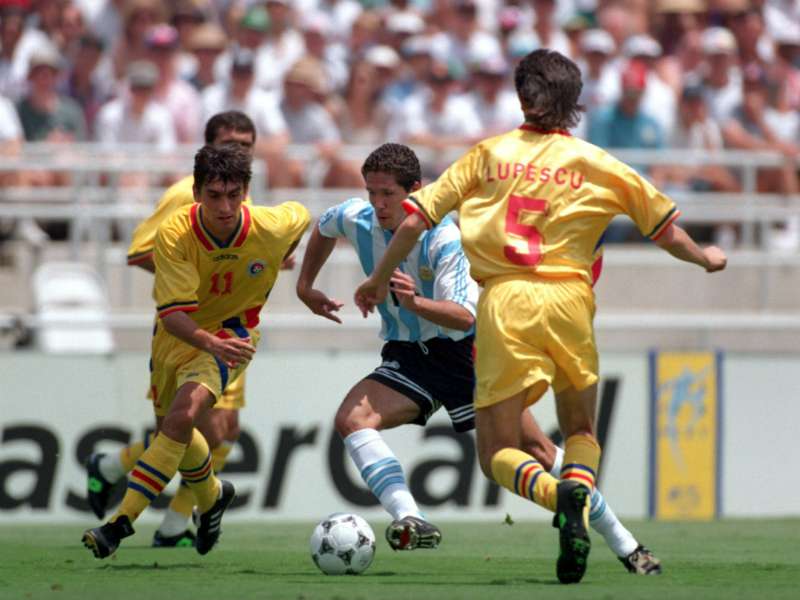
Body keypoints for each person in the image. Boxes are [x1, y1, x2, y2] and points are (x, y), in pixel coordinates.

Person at [354, 50, 727, 584]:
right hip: (572, 298)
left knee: (497, 451)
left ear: (521, 96)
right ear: (576, 104)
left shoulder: (488, 153)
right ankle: (579, 485)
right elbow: (664, 228)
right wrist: (704, 256)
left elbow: (415, 220)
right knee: (581, 429)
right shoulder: (600, 163)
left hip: (506, 301)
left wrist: (375, 278)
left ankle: (558, 495)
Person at [298, 143, 663, 574]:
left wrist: (413, 303)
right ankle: (410, 518)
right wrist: (306, 287)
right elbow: (323, 226)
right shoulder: (356, 217)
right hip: (410, 356)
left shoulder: (444, 238)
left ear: (416, 191)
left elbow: (462, 317)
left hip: (468, 356)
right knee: (352, 419)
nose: (378, 204)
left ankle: (627, 545)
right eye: (372, 192)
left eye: (388, 195)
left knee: (538, 451)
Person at [82, 144, 310, 559]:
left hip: (234, 335)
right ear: (197, 192)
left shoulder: (272, 225)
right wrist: (209, 341)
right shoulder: (174, 232)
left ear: (246, 191)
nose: (225, 207)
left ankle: (119, 524)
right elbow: (172, 317)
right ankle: (212, 496)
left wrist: (284, 264)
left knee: (189, 418)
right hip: (180, 337)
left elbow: (306, 219)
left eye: (234, 195)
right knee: (176, 431)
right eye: (214, 195)